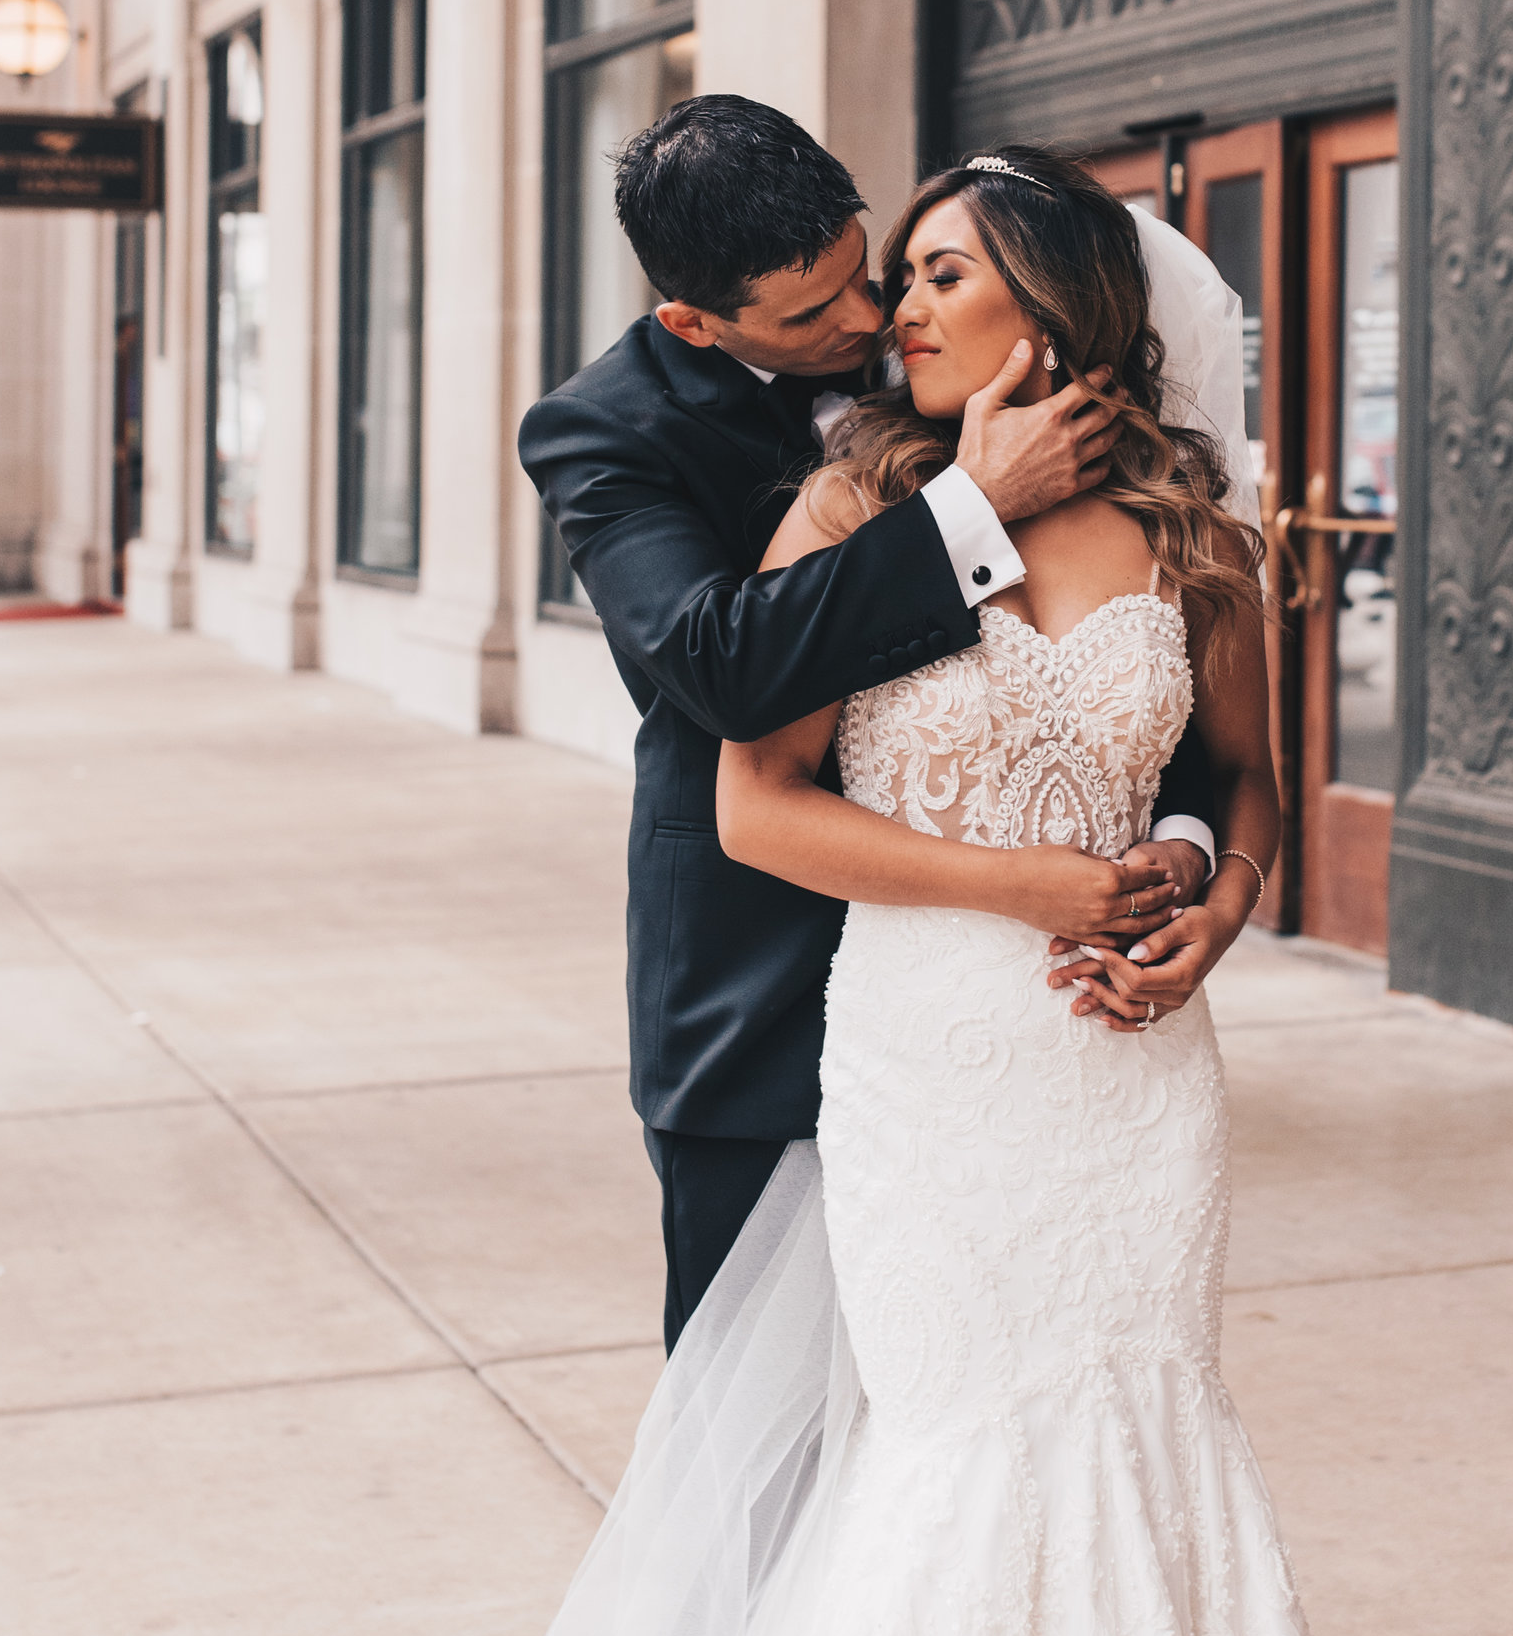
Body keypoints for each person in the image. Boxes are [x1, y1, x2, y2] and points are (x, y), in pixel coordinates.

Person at [0, 145, 1489, 1636]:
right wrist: (1035, 876)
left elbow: (1236, 787)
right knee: (933, 1501)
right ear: (716, 315)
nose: (886, 313)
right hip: (917, 1068)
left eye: (931, 275)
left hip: (1129, 1096)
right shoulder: (843, 498)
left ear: (1057, 302)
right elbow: (745, 779)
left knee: (1144, 1480)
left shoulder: (1194, 533)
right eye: (868, 286)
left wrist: (1206, 906)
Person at [516, 91, 1217, 1344]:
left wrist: (1200, 865)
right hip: (760, 974)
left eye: (866, 270)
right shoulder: (604, 431)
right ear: (695, 319)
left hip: (1025, 1014)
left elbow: (1152, 715)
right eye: (810, 313)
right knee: (761, 1420)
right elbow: (719, 662)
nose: (870, 324)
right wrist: (969, 508)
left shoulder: (945, 320)